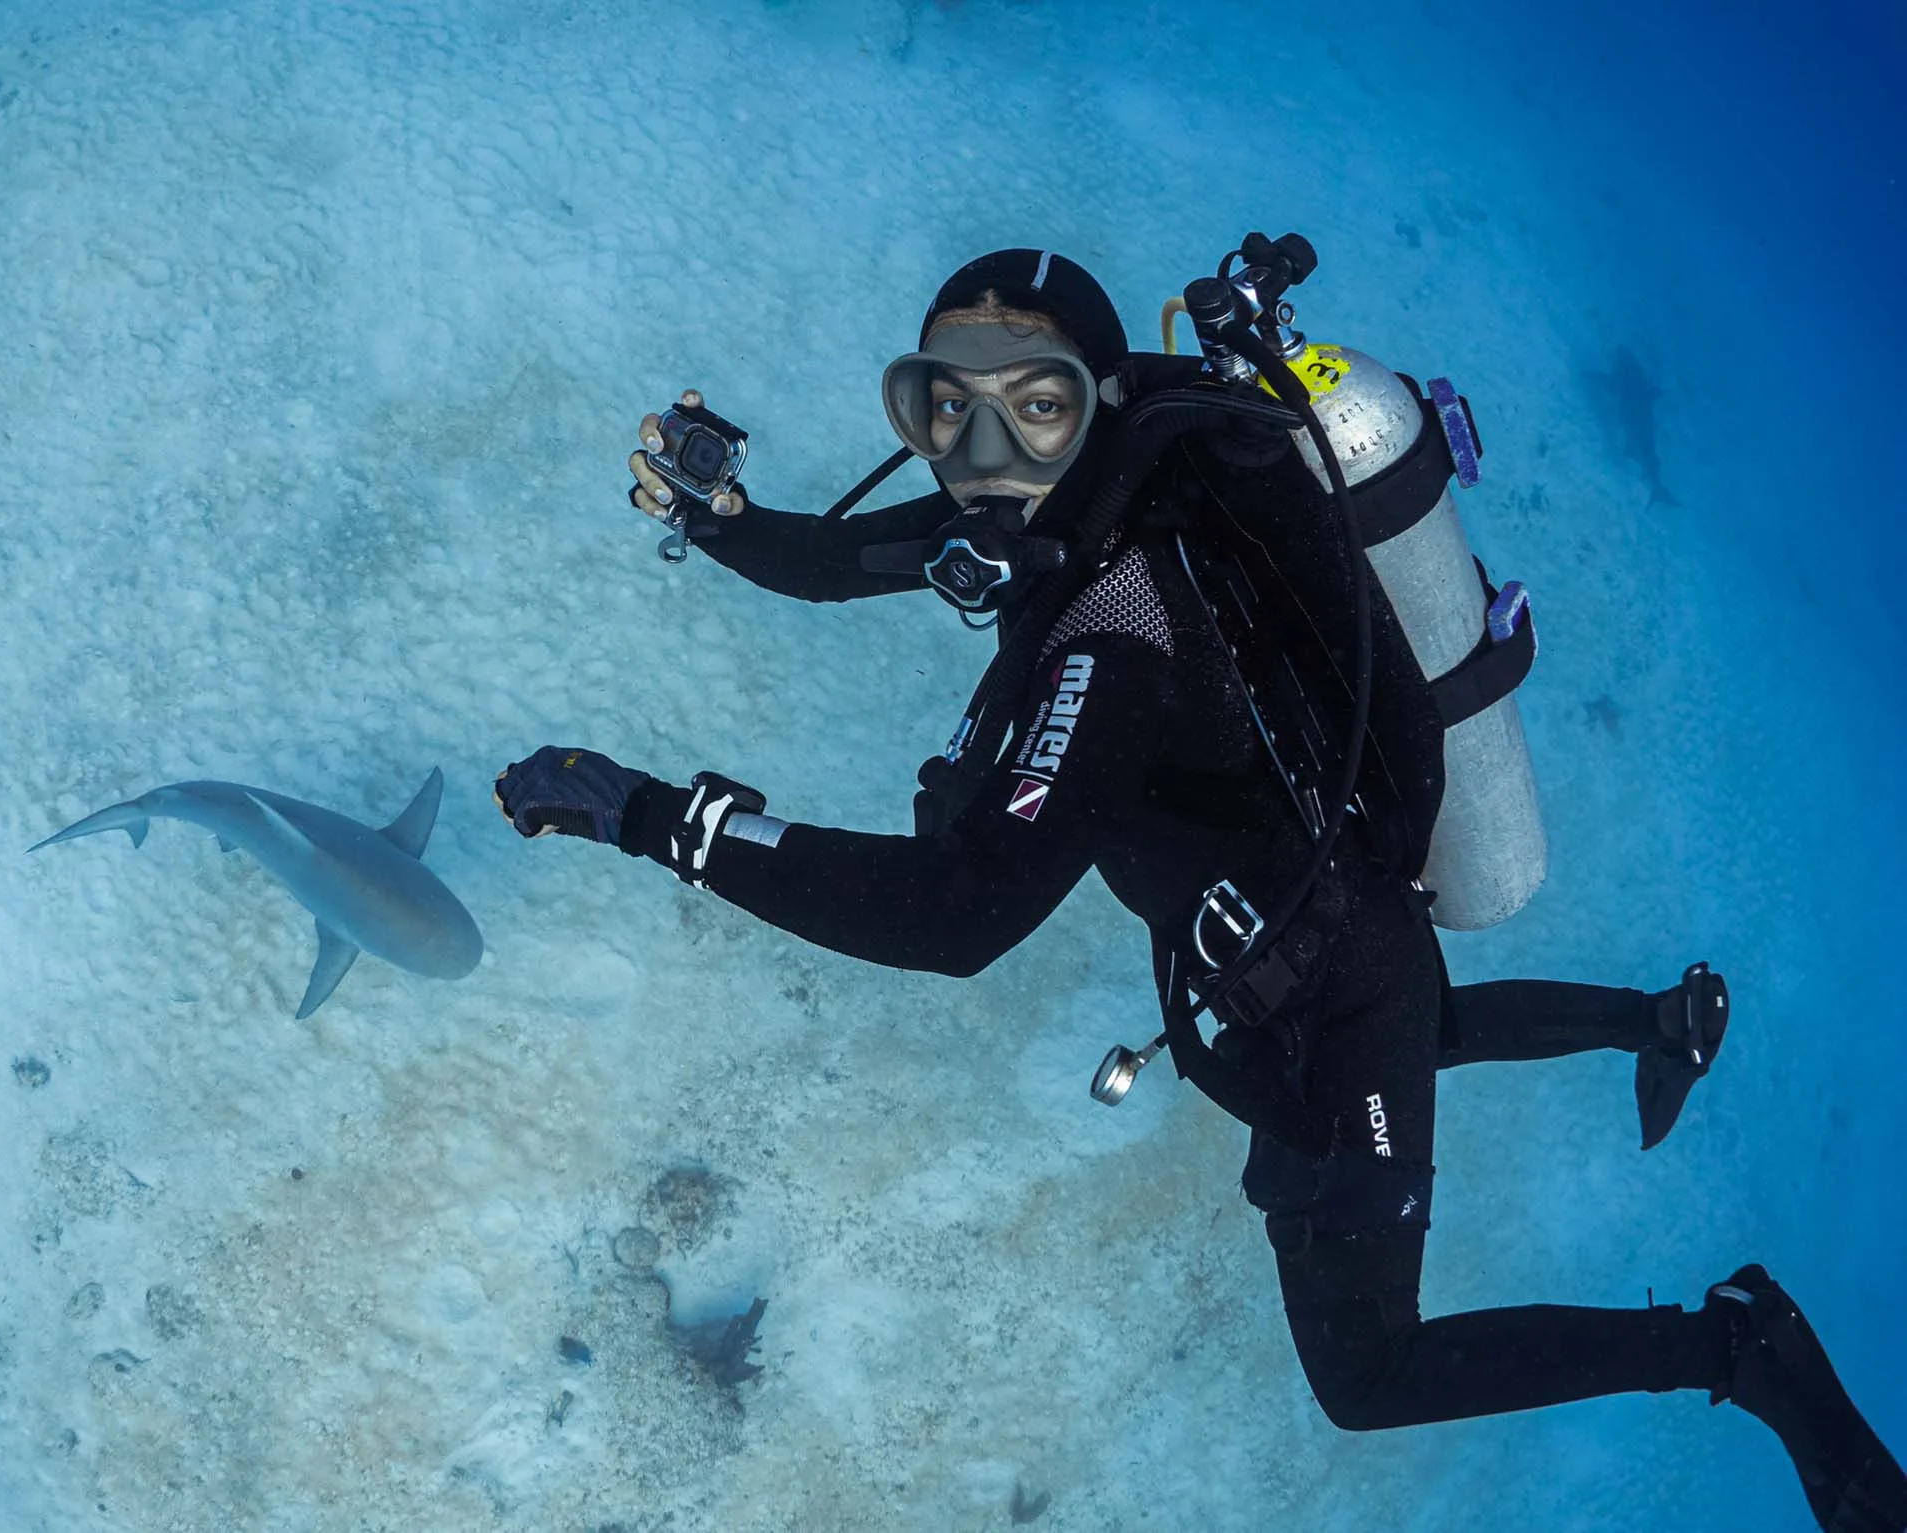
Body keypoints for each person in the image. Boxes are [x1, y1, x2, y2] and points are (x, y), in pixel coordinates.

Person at [493, 248, 1907, 1531]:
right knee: (1432, 1027)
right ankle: (1659, 1023)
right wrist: (725, 515)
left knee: (1366, 1370)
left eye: (1030, 406)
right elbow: (846, 556)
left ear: (1103, 399)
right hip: (1309, 935)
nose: (980, 457)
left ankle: (1740, 1347)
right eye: (944, 410)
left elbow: (952, 916)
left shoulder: (1121, 636)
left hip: (1327, 982)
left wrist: (658, 820)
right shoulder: (1063, 509)